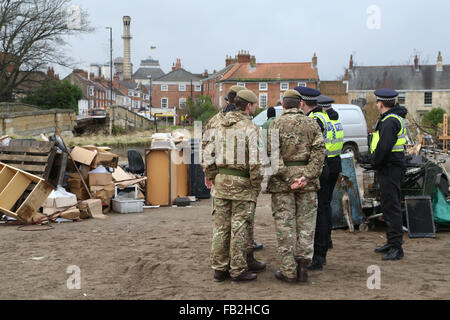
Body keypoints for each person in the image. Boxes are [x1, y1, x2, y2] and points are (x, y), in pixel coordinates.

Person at [203, 89, 264, 282]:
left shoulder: (218, 124)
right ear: (248, 106)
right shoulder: (251, 128)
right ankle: (238, 269)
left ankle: (219, 269)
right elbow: (256, 162)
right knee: (239, 227)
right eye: (254, 105)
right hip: (242, 183)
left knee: (220, 227)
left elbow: (207, 154)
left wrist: (212, 176)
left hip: (221, 182)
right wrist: (256, 185)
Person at [267, 89, 326, 283]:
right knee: (306, 226)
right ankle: (303, 269)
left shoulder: (275, 124)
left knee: (284, 226)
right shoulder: (313, 124)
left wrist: (288, 177)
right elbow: (319, 154)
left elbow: (273, 156)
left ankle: (288, 271)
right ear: (301, 105)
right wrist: (305, 176)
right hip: (307, 183)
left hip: (282, 184)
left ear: (283, 105)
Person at [294, 86, 330, 271]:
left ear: (302, 102)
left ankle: (319, 255)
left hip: (319, 169)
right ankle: (324, 247)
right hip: (328, 165)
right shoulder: (323, 115)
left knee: (318, 213)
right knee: (324, 209)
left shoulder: (313, 120)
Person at [371, 89, 407, 261]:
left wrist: (374, 162)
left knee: (391, 207)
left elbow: (384, 147)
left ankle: (396, 247)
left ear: (381, 103)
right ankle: (391, 242)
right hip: (392, 166)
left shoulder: (389, 121)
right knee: (387, 206)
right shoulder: (393, 118)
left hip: (390, 167)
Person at [317, 95, 344, 251]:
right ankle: (328, 238)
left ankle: (324, 239)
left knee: (322, 205)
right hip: (336, 163)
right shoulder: (336, 121)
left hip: (326, 164)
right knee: (327, 203)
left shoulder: (323, 121)